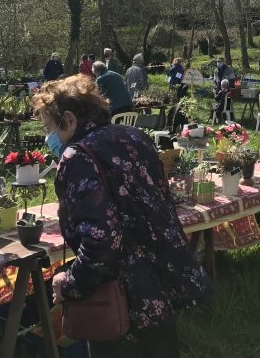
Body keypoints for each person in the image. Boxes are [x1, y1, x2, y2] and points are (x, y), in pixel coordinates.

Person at [32, 76, 211, 356]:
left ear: (68, 119)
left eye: (49, 127)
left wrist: (68, 284)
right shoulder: (133, 136)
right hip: (163, 284)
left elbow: (101, 243)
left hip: (121, 300)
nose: (49, 137)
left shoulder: (77, 156)